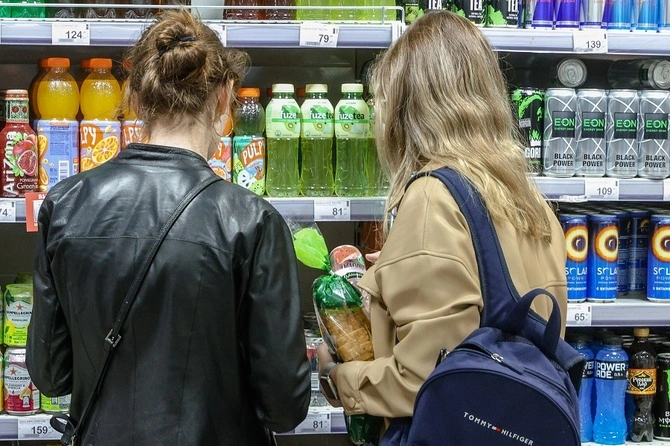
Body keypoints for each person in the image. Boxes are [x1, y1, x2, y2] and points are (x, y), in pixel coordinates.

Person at [27, 10, 310, 445]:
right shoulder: (251, 220)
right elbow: (284, 406)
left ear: (135, 98)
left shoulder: (64, 206)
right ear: (224, 98)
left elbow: (51, 374)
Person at [317, 9, 568, 433]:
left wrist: (338, 378)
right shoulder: (527, 199)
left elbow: (425, 380)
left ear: (405, 110)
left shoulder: (433, 197)